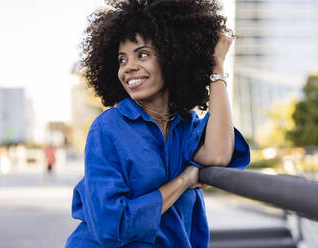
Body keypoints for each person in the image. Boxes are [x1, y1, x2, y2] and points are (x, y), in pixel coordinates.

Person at [66, 0, 250, 247]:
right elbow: (112, 226)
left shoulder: (185, 124)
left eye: (142, 54)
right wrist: (184, 180)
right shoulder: (107, 128)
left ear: (173, 58)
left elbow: (217, 156)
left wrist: (216, 66)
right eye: (122, 59)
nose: (129, 67)